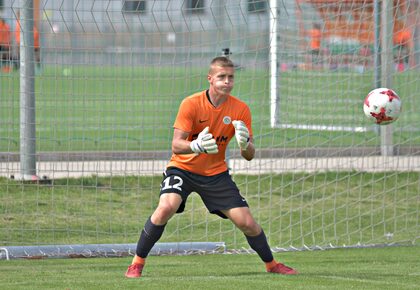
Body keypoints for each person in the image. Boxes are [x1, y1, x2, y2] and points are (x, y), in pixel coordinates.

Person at [125, 56, 298, 278]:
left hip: (216, 175)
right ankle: (136, 263)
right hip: (182, 169)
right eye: (221, 77)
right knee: (166, 207)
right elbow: (176, 145)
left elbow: (249, 156)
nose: (227, 81)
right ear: (210, 78)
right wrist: (195, 145)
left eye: (231, 77)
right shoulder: (191, 103)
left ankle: (272, 264)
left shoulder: (241, 109)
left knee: (247, 223)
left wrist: (246, 144)